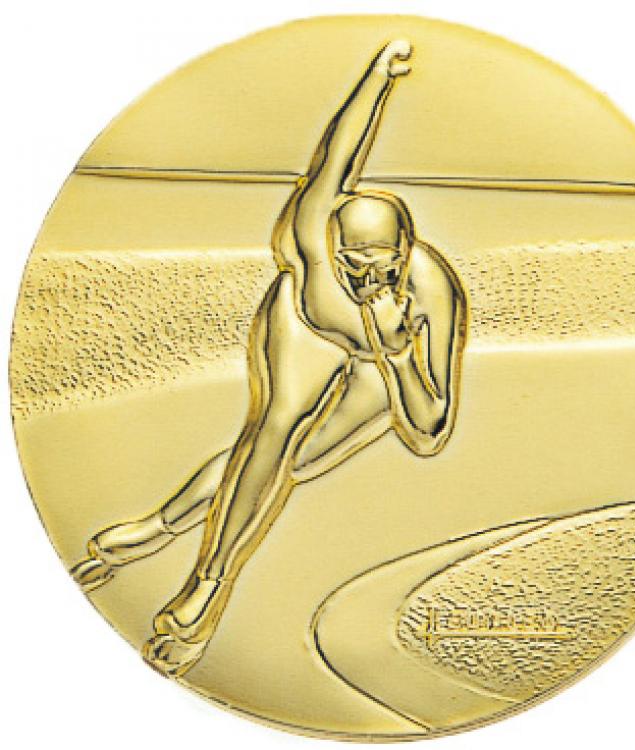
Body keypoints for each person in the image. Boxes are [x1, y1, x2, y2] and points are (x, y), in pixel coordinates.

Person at [71, 40, 468, 676]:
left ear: (408, 251)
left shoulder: (433, 292)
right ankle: (206, 585)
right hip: (306, 322)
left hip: (379, 357)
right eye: (355, 263)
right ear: (329, 246)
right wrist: (375, 78)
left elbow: (430, 429)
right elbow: (338, 152)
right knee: (274, 431)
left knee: (298, 461)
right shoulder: (309, 232)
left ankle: (161, 524)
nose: (371, 279)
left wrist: (396, 353)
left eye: (386, 263)